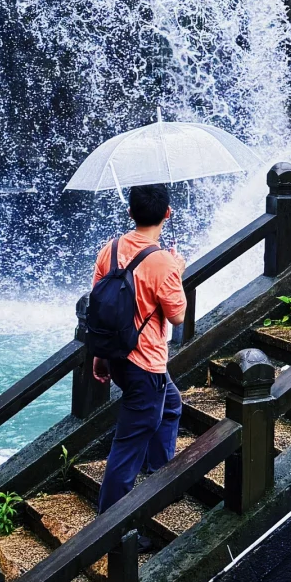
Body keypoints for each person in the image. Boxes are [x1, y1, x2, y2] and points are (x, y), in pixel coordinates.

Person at [91, 182, 187, 514]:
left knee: (171, 405)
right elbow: (177, 316)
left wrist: (100, 356)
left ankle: (158, 475)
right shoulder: (163, 262)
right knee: (127, 448)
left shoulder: (111, 248)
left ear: (130, 212)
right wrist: (177, 271)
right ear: (167, 213)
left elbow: (99, 308)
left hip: (118, 357)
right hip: (146, 366)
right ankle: (108, 529)